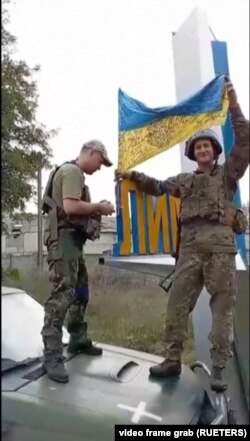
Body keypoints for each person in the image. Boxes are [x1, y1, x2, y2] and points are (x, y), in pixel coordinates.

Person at [115, 82, 249, 392]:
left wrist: (234, 104)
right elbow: (157, 186)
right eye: (198, 147)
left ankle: (218, 370)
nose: (203, 149)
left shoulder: (227, 174)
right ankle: (171, 359)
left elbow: (245, 140)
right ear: (192, 153)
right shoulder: (185, 180)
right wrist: (131, 174)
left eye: (207, 146)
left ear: (215, 152)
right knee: (176, 305)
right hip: (189, 252)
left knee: (222, 311)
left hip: (220, 251)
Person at [41, 140, 115, 383]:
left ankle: (77, 338)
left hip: (71, 241)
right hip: (63, 241)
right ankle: (52, 355)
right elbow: (70, 207)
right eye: (100, 162)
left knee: (81, 290)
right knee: (62, 293)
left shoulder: (74, 173)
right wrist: (99, 207)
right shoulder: (72, 171)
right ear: (91, 153)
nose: (100, 168)